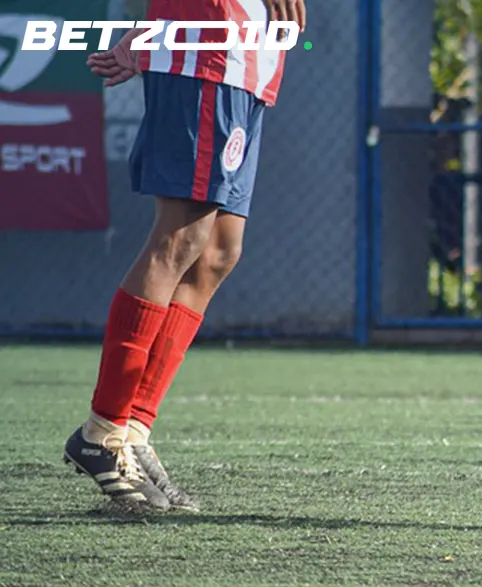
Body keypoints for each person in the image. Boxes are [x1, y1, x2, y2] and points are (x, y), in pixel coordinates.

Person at [64, 0, 304, 513]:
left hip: (249, 61)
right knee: (179, 239)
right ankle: (103, 430)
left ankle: (133, 428)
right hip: (206, 49)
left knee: (218, 252)